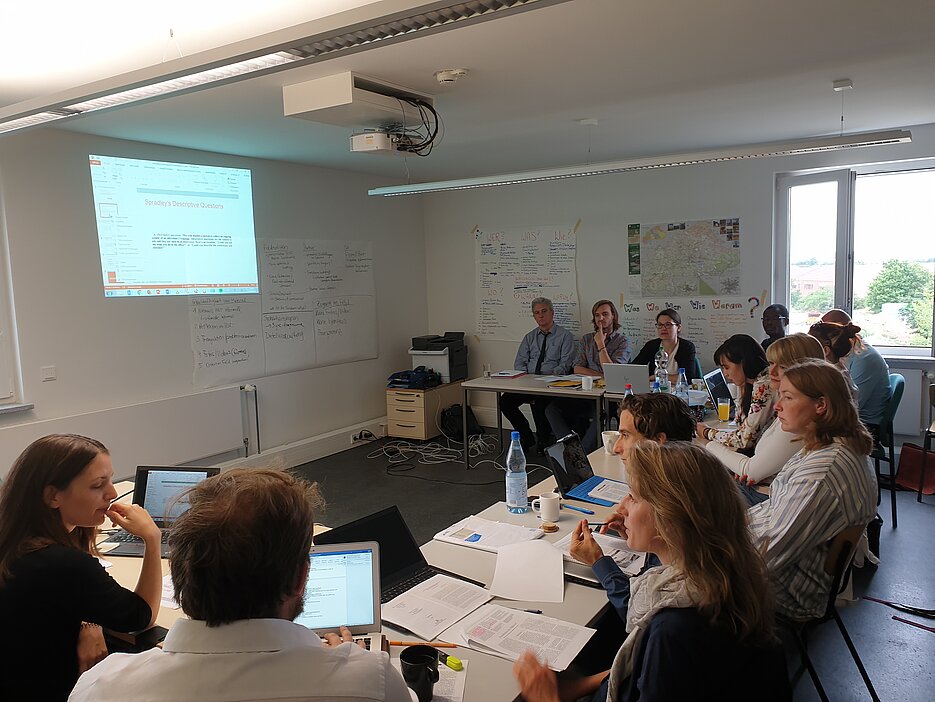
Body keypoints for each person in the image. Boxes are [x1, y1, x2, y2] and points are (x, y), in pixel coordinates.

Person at [69, 468, 412, 702]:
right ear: (300, 579)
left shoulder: (101, 685)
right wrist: (347, 663)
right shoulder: (370, 682)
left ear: (181, 572)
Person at [514, 442, 790, 702]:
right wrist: (577, 686)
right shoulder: (730, 578)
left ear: (669, 519)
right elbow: (643, 672)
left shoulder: (673, 629)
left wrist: (547, 698)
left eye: (633, 498)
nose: (622, 508)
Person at [0, 434, 161, 701]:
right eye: (98, 485)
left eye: (110, 479)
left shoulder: (15, 538)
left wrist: (88, 622)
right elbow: (140, 617)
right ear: (53, 496)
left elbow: (64, 597)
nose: (112, 494)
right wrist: (152, 539)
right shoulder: (64, 564)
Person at [749, 359, 877, 621]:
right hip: (793, 569)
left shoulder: (821, 473)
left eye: (787, 397)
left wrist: (710, 549)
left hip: (788, 591)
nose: (777, 406)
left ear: (820, 405)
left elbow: (767, 556)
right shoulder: (833, 444)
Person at [569, 394, 695, 621]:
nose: (617, 447)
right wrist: (642, 533)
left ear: (657, 441)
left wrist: (598, 562)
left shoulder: (676, 501)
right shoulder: (693, 482)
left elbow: (637, 609)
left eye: (625, 435)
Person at [698, 333, 824, 505]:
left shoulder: (799, 420)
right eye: (771, 363)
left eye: (782, 366)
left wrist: (707, 441)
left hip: (764, 496)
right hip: (762, 486)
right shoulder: (789, 411)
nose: (771, 372)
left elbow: (749, 462)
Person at [546, 299, 630, 451]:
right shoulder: (586, 339)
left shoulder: (622, 341)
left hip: (607, 397)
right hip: (586, 392)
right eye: (597, 315)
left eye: (605, 314)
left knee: (599, 415)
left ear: (613, 316)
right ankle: (572, 447)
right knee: (552, 409)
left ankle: (583, 453)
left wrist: (601, 345)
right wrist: (602, 374)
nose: (601, 318)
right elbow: (577, 368)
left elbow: (613, 372)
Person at [500, 297, 577, 452]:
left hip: (552, 383)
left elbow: (566, 365)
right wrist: (528, 378)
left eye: (544, 311)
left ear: (552, 313)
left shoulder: (565, 336)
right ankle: (526, 436)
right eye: (536, 313)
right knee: (505, 401)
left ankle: (544, 440)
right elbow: (519, 363)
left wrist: (546, 377)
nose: (541, 315)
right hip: (529, 382)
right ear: (534, 316)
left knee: (540, 400)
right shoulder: (529, 337)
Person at [815, 308, 891, 440]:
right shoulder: (843, 355)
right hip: (850, 417)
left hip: (864, 425)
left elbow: (853, 404)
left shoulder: (864, 357)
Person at [696, 333, 774, 451]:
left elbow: (744, 440)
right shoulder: (751, 382)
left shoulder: (764, 385)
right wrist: (742, 388)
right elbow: (740, 425)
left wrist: (707, 432)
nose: (725, 374)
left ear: (744, 362)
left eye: (726, 367)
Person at [629, 308, 698, 383]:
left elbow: (688, 378)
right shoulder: (651, 345)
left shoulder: (687, 347)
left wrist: (657, 377)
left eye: (668, 325)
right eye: (660, 325)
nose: (663, 328)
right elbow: (634, 368)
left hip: (678, 389)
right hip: (654, 388)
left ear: (678, 327)